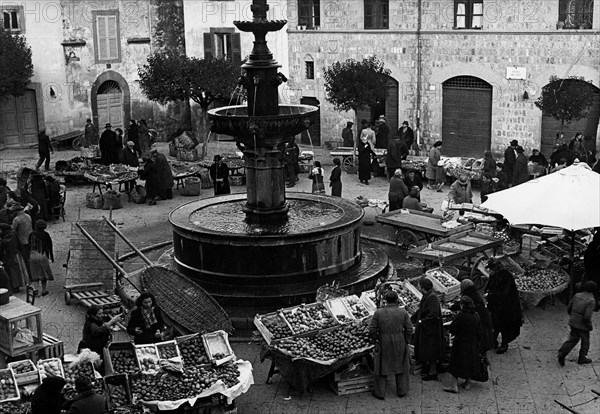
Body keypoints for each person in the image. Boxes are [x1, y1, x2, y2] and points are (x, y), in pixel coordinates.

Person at [368, 290, 413, 399]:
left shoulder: (378, 312)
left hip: (384, 340)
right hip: (399, 340)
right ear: (397, 300)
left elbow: (372, 330)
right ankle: (402, 390)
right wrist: (406, 340)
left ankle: (380, 393)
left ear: (385, 301)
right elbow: (409, 329)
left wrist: (376, 340)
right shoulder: (403, 312)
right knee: (401, 365)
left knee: (382, 366)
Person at [443, 296, 482, 394]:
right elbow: (479, 329)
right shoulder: (476, 315)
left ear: (463, 305)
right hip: (472, 342)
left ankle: (454, 386)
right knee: (469, 362)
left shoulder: (461, 316)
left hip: (461, 343)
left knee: (455, 363)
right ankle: (467, 383)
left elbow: (453, 329)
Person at [485, 259, 522, 354]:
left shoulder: (507, 277)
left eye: (491, 269)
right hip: (496, 305)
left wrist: (491, 295)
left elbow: (504, 293)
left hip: (507, 306)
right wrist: (487, 292)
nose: (490, 271)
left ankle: (504, 344)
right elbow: (489, 286)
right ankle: (493, 341)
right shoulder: (494, 275)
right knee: (495, 324)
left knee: (505, 326)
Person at [557, 281, 598, 366]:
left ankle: (562, 352)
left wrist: (573, 317)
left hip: (573, 321)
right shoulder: (591, 300)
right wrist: (589, 325)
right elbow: (587, 316)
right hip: (582, 325)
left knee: (572, 339)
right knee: (585, 341)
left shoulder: (577, 295)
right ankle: (582, 357)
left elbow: (569, 308)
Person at [412, 277, 445, 381]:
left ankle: (433, 372)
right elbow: (422, 309)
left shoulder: (432, 297)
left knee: (431, 350)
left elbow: (433, 313)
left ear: (422, 287)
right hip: (427, 328)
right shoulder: (428, 295)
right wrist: (413, 318)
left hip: (431, 329)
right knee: (428, 349)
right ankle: (429, 369)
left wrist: (422, 321)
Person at [451, 279, 494, 352]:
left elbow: (462, 304)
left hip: (480, 316)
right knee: (485, 331)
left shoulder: (468, 295)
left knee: (482, 332)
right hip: (483, 314)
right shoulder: (473, 292)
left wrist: (452, 307)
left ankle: (483, 346)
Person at [28, 219, 54, 296]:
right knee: (44, 274)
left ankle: (35, 289)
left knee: (35, 273)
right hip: (42, 255)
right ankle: (44, 290)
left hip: (33, 254)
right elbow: (50, 246)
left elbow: (29, 244)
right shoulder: (46, 235)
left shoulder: (32, 234)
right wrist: (51, 257)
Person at [0, 223, 28, 292]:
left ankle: (16, 287)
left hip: (13, 256)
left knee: (14, 272)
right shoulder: (9, 233)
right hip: (12, 255)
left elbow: (7, 244)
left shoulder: (10, 234)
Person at [11, 202, 32, 278]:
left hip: (22, 242)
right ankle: (32, 274)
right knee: (29, 258)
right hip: (30, 240)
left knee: (25, 260)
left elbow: (12, 230)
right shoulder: (28, 216)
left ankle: (29, 276)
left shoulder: (16, 219)